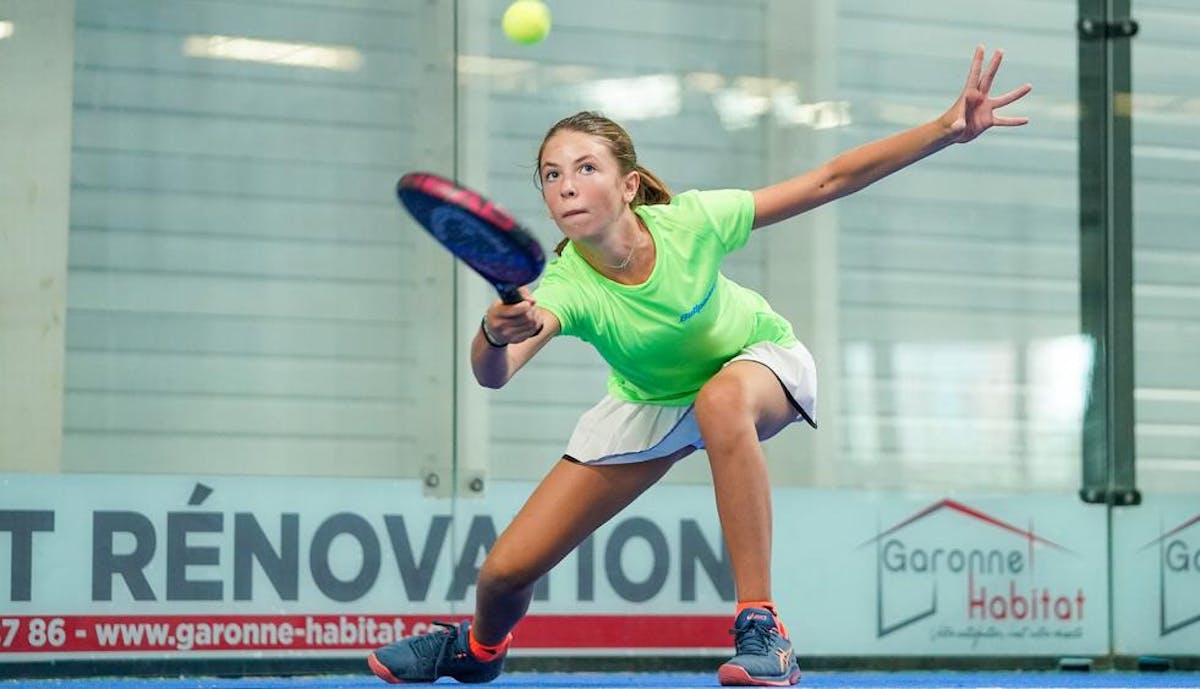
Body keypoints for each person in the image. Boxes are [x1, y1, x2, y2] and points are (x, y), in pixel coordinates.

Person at [368, 45, 1030, 686]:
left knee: (719, 400)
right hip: (651, 400)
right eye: (551, 173)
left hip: (753, 362)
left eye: (586, 167)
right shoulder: (564, 285)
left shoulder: (692, 222)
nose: (567, 183)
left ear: (629, 185)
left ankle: (762, 625)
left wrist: (946, 129)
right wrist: (491, 330)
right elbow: (495, 372)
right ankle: (479, 650)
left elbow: (831, 178)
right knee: (503, 575)